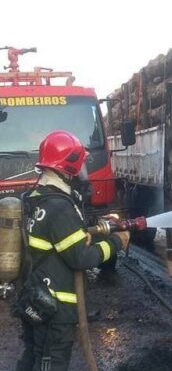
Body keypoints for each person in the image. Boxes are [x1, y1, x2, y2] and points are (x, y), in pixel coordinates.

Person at [15, 130, 130, 371]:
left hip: (35, 297)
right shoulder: (60, 207)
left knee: (33, 358)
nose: (82, 174)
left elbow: (58, 241)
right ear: (66, 168)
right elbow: (81, 258)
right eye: (79, 167)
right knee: (50, 363)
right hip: (55, 308)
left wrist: (84, 234)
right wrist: (117, 242)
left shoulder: (36, 198)